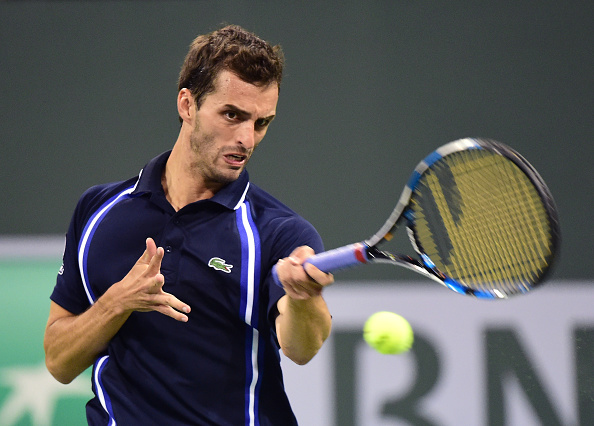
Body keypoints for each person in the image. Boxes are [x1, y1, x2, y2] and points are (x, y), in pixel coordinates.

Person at [44, 24, 333, 426]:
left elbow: (301, 347)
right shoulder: (98, 209)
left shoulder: (280, 231)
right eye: (232, 115)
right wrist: (118, 302)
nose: (247, 139)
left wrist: (303, 298)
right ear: (187, 104)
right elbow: (58, 361)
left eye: (262, 123)